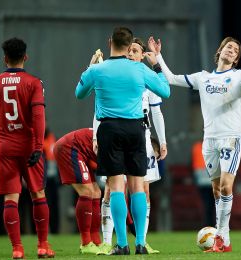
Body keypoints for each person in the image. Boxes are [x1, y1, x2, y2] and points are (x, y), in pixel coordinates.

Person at [148, 35, 241, 253]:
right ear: (219, 51)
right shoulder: (203, 78)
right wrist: (159, 57)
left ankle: (220, 237)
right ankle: (226, 241)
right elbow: (172, 78)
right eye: (228, 47)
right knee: (216, 190)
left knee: (226, 186)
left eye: (235, 50)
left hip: (230, 137)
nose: (231, 50)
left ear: (237, 58)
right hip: (209, 139)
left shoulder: (240, 75)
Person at [75, 27, 170, 255]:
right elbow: (165, 91)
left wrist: (89, 68)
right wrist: (156, 65)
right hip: (135, 128)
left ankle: (121, 244)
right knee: (137, 186)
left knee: (116, 185)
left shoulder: (97, 70)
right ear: (130, 47)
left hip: (109, 128)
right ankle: (139, 242)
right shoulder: (138, 69)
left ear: (110, 42)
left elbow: (80, 93)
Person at [0, 37, 55, 259]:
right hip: (29, 147)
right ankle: (42, 245)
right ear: (26, 57)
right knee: (38, 194)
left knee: (10, 198)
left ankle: (17, 249)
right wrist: (38, 146)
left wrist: (2, 134)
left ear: (5, 58)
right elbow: (38, 116)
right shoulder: (34, 83)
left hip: (5, 148)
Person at [97, 38, 167, 255]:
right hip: (131, 133)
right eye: (128, 50)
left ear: (141, 55)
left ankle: (139, 240)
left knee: (141, 189)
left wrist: (162, 141)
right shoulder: (123, 76)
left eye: (135, 50)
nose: (131, 54)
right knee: (113, 188)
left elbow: (157, 112)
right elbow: (97, 108)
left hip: (142, 138)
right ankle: (110, 240)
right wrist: (94, 137)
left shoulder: (144, 80)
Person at [53, 128, 102, 254]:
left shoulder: (119, 142)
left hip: (81, 150)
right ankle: (86, 243)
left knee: (96, 192)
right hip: (69, 147)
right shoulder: (117, 149)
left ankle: (96, 241)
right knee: (86, 191)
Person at [192, 140, 216, 227]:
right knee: (211, 205)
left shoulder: (197, 146)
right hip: (209, 182)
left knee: (208, 205)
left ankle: (209, 224)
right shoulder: (215, 146)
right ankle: (211, 224)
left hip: (203, 181)